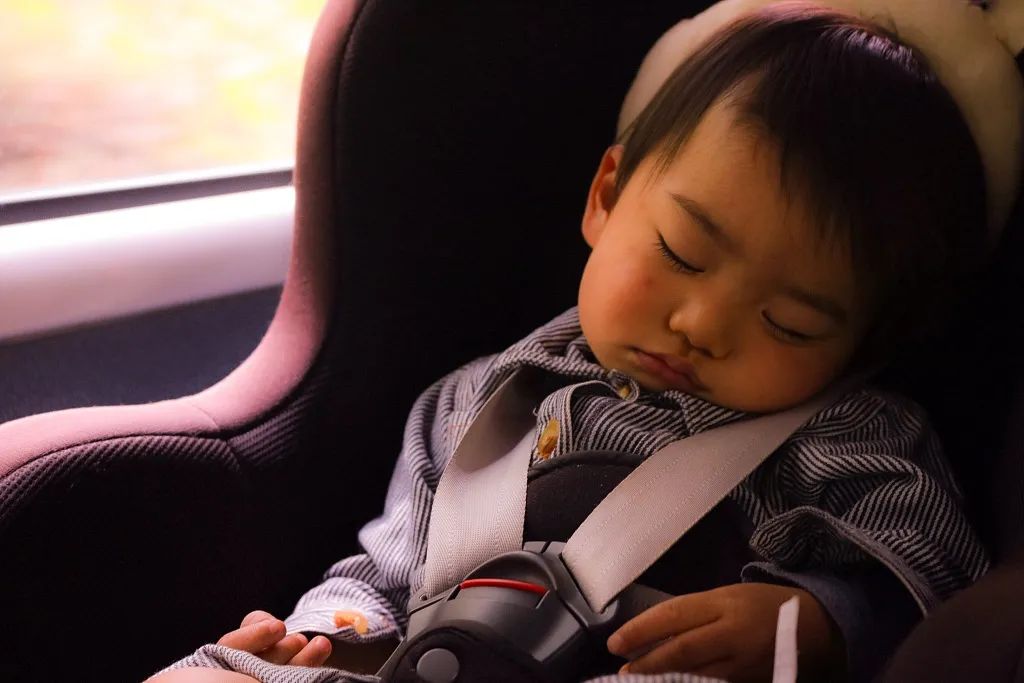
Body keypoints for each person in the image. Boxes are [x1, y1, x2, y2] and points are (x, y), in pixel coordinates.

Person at [149, 3, 1003, 682]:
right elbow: (390, 566)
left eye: (791, 323)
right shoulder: (479, 399)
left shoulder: (848, 432)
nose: (701, 324)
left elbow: (936, 580)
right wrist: (321, 635)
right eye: (682, 253)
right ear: (607, 195)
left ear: (861, 343)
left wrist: (818, 622)